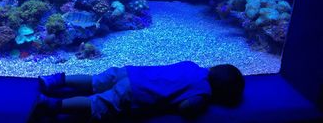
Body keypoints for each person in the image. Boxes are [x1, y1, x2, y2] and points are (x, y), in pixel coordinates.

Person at [37, 61, 245, 121]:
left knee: (94, 81)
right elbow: (186, 108)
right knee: (98, 103)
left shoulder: (193, 66)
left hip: (130, 73)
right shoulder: (203, 93)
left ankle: (56, 80)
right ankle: (55, 105)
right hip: (137, 91)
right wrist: (201, 106)